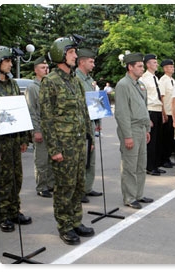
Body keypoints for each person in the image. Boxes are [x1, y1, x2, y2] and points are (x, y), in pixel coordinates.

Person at [39, 35, 95, 245]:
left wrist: (89, 138)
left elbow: (83, 111)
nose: (75, 56)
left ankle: (75, 221)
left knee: (78, 185)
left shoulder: (75, 80)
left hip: (79, 143)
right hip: (63, 145)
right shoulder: (50, 82)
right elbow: (47, 118)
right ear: (60, 55)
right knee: (64, 187)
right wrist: (54, 149)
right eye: (71, 52)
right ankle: (64, 226)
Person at [114, 52, 153, 210]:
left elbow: (144, 108)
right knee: (130, 166)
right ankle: (129, 197)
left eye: (142, 66)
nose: (142, 68)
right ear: (130, 67)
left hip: (141, 128)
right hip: (130, 129)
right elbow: (121, 113)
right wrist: (127, 136)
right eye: (139, 66)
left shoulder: (140, 84)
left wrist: (147, 129)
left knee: (141, 165)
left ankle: (138, 194)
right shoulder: (123, 85)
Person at [0, 46, 32, 232]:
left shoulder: (11, 84)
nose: (11, 64)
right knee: (3, 178)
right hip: (1, 141)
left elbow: (20, 110)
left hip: (13, 139)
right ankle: (2, 214)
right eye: (7, 61)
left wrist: (24, 138)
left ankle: (14, 210)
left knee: (16, 176)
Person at [25, 56, 55, 198]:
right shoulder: (32, 88)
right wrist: (36, 131)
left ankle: (50, 184)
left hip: (52, 128)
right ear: (36, 70)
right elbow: (32, 110)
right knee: (42, 160)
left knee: (52, 158)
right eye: (43, 68)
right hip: (41, 128)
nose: (46, 69)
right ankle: (41, 186)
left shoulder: (50, 85)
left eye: (47, 67)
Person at [75, 48, 103, 203]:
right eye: (91, 61)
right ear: (81, 62)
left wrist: (98, 121)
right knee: (82, 159)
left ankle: (87, 187)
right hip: (81, 124)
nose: (93, 64)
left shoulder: (89, 79)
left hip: (91, 122)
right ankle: (79, 190)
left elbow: (95, 101)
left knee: (90, 157)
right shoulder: (76, 79)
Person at [140, 54, 166, 176]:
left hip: (158, 109)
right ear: (148, 64)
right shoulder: (144, 79)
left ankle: (155, 164)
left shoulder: (156, 78)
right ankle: (149, 166)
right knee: (151, 140)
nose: (157, 64)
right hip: (150, 110)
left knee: (158, 140)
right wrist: (146, 116)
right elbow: (143, 99)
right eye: (154, 62)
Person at [158, 59, 175, 169]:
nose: (172, 68)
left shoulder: (172, 80)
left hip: (171, 112)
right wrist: (163, 113)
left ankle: (167, 157)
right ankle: (163, 159)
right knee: (164, 138)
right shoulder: (163, 81)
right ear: (165, 69)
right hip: (166, 112)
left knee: (170, 138)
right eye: (170, 67)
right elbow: (162, 98)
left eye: (172, 67)